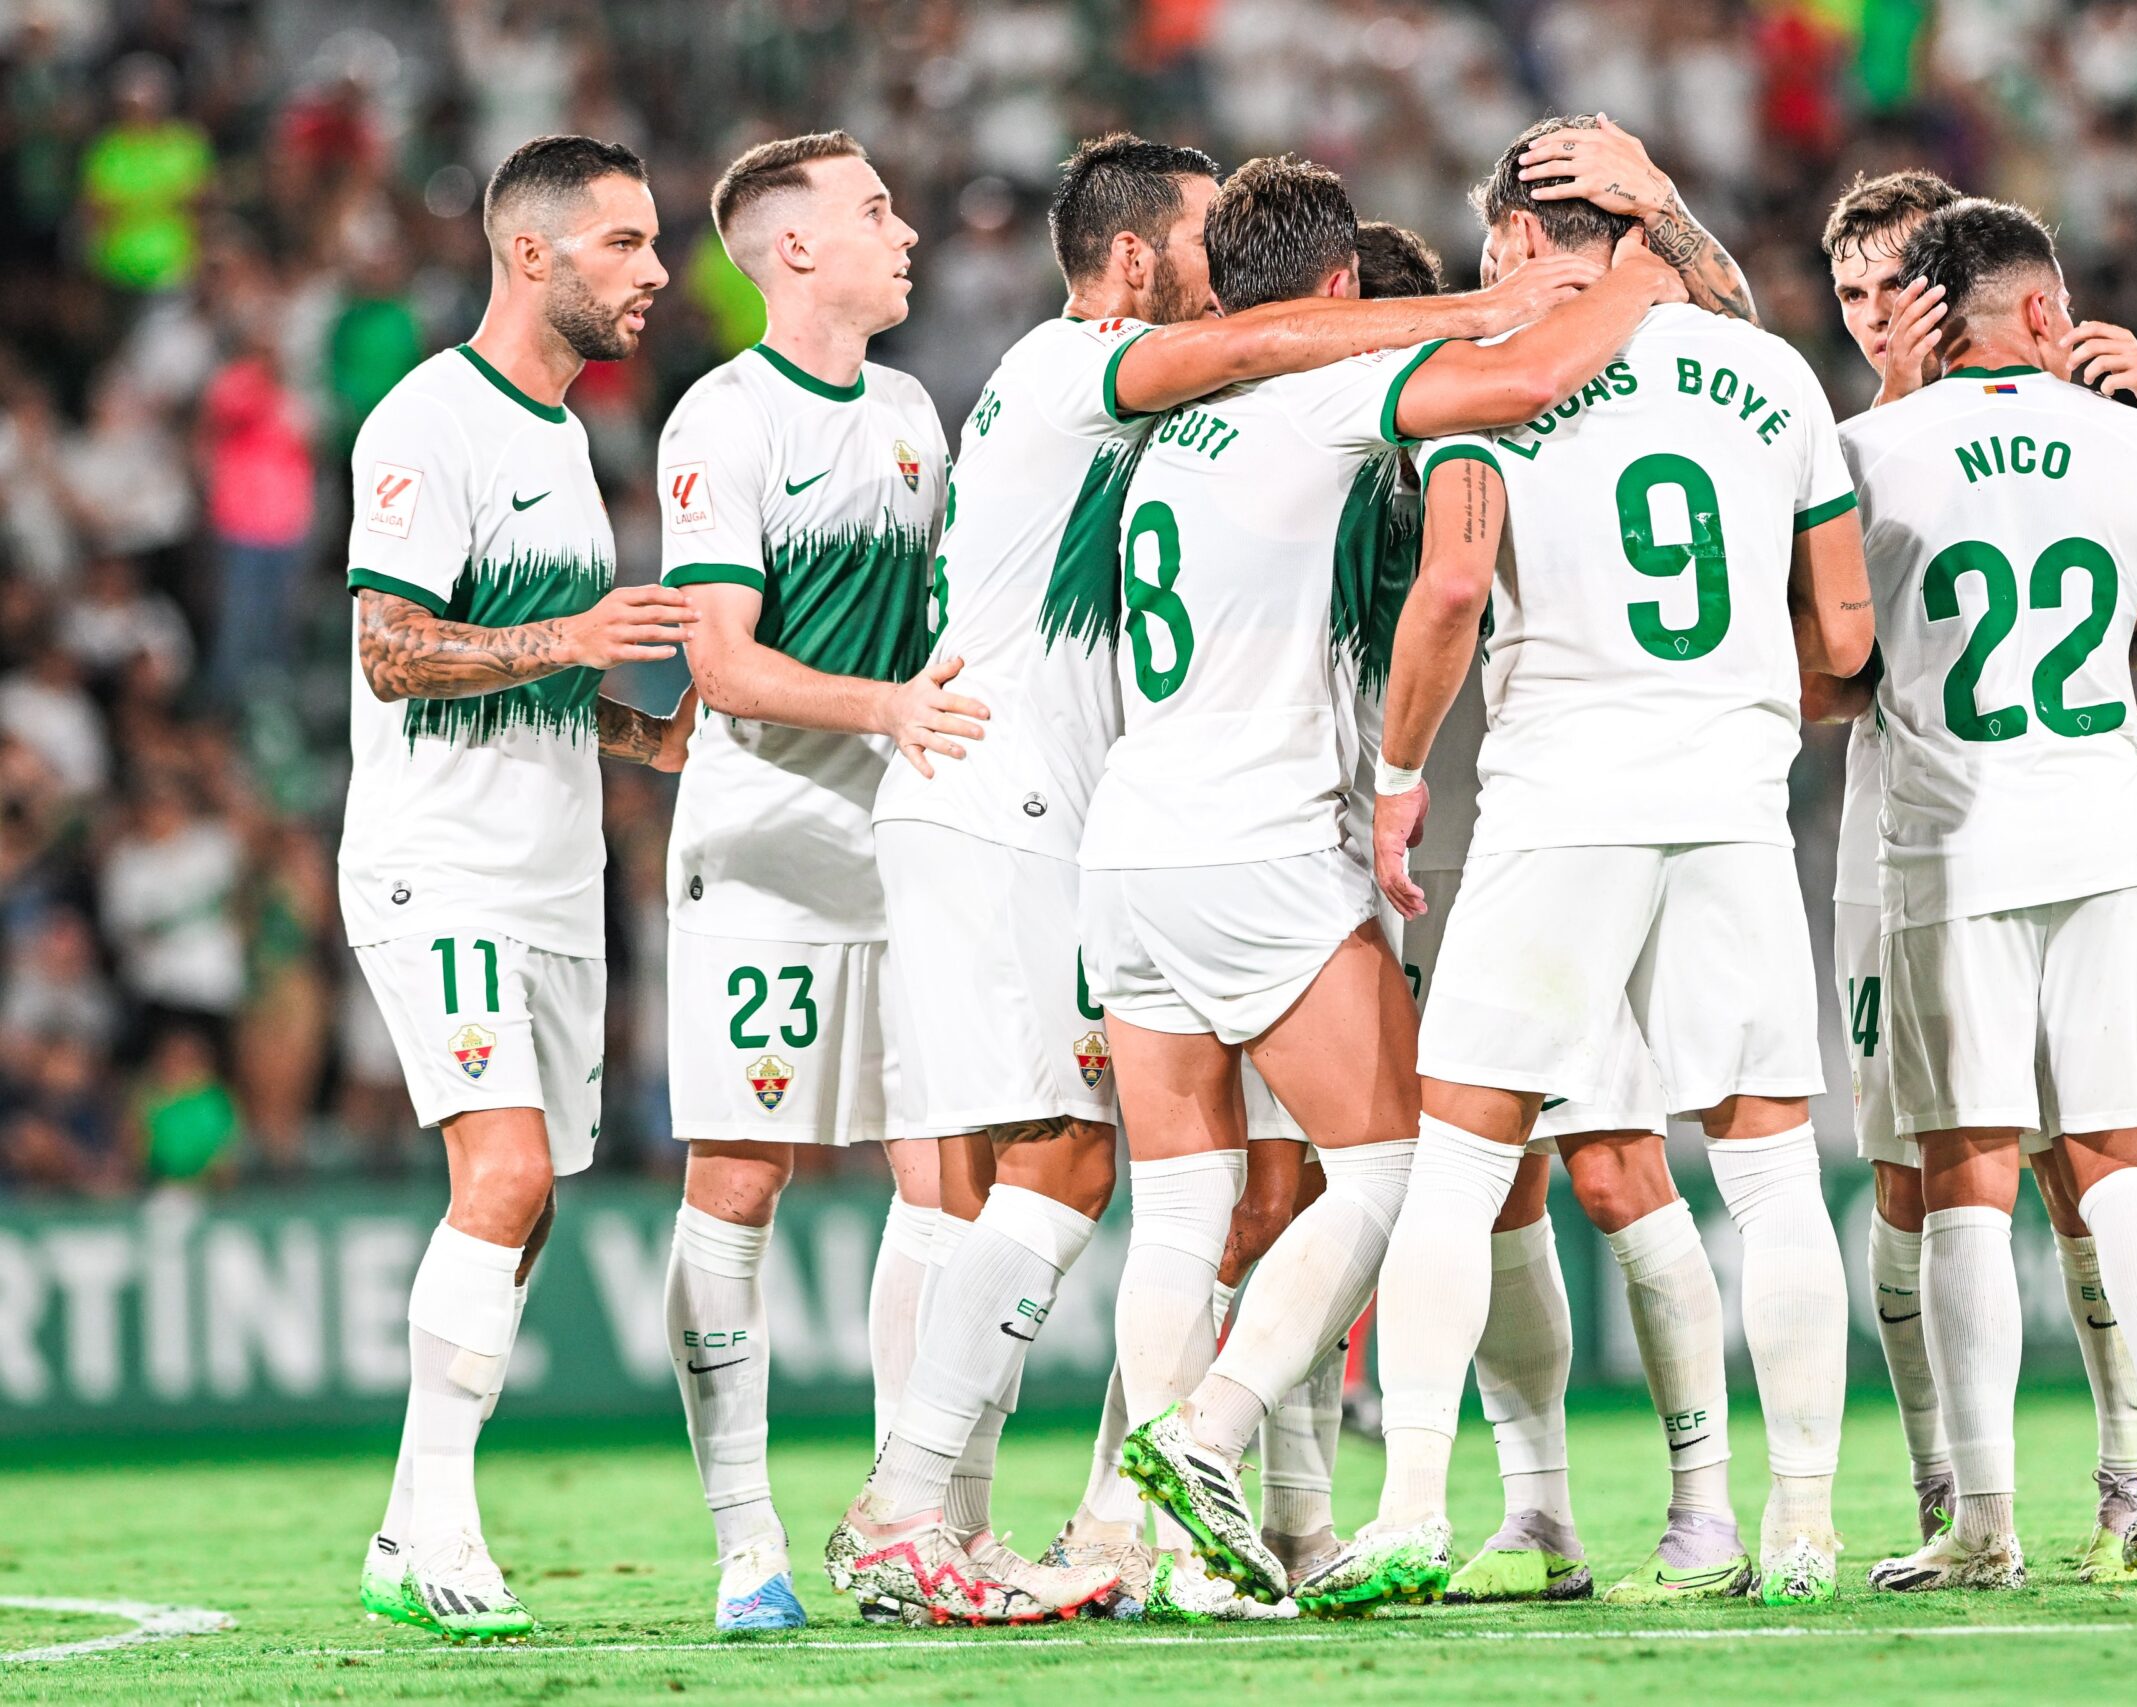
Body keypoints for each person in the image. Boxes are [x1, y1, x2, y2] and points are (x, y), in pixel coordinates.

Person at [835, 133, 1601, 1627]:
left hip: (1103, 831)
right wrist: (1527, 299)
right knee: (1341, 1169)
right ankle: (938, 1500)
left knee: (1140, 1193)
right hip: (1041, 808)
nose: (1210, 283)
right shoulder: (1093, 369)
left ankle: (1122, 1532)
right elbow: (1338, 359)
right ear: (1134, 265)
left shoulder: (1159, 421)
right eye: (1189, 244)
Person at [1104, 152, 1689, 1607]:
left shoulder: (1171, 418)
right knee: (1409, 1170)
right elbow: (1515, 381)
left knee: (1182, 1211)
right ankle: (1216, 1433)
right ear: (1346, 287)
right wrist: (1634, 270)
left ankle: (1165, 1539)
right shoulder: (1317, 398)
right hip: (1259, 841)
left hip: (1129, 851)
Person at [1306, 116, 1871, 1614]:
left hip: (1562, 798)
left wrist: (1401, 774)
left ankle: (1418, 1502)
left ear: (1509, 242)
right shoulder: (1771, 369)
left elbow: (1446, 598)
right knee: (1768, 1178)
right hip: (1737, 804)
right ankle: (1797, 1524)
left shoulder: (1493, 375)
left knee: (1461, 1165)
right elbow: (1849, 634)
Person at [1818, 168, 2137, 1582]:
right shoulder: (2136, 448)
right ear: (2048, 308)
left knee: (1965, 1182)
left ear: (1928, 317)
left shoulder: (1868, 452)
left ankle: (1982, 1523)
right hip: (2106, 841)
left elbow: (1831, 672)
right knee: (2113, 1158)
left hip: (1949, 850)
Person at [343, 134, 694, 1642]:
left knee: (528, 1208)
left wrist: (649, 734)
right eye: (624, 243)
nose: (658, 272)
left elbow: (537, 670)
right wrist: (572, 646)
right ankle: (439, 1536)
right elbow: (392, 651)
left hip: (552, 881)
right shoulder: (432, 423)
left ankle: (405, 1528)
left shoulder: (561, 437)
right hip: (447, 867)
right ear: (533, 255)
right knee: (507, 1180)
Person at [649, 131, 990, 1634]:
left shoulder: (915, 409)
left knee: (945, 1171)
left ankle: (914, 1519)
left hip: (909, 841)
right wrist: (890, 709)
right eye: (873, 212)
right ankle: (746, 1546)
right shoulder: (720, 421)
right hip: (769, 846)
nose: (904, 231)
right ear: (795, 251)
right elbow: (718, 662)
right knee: (740, 1177)